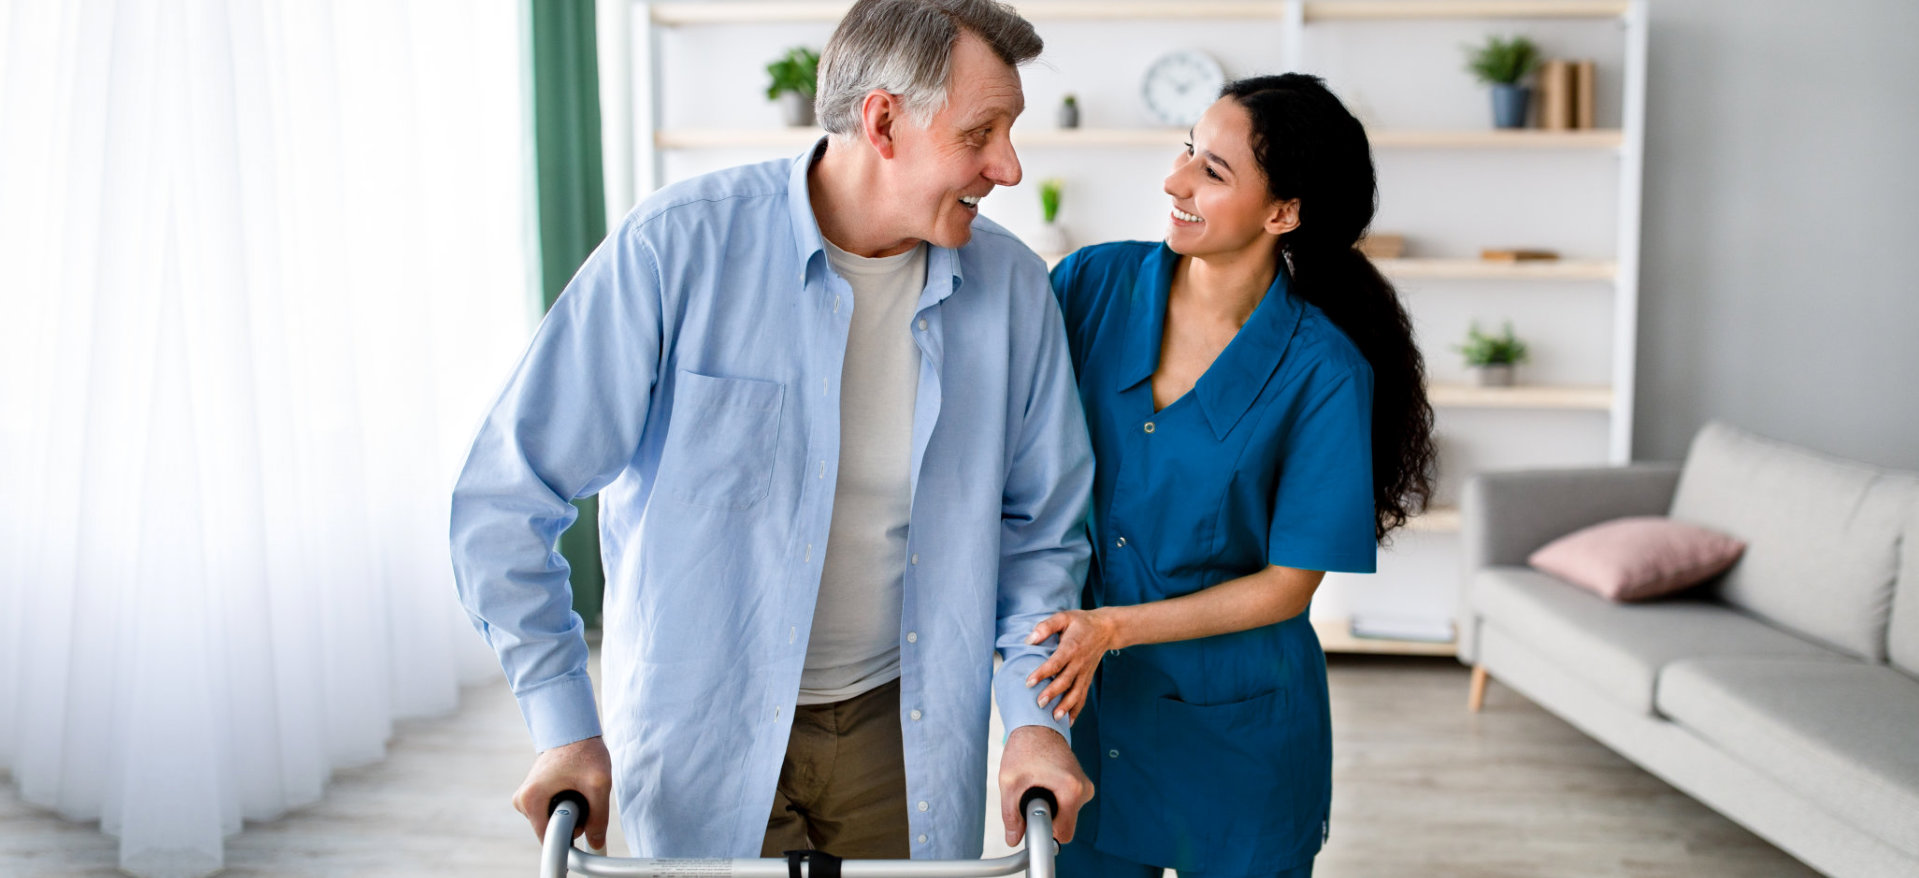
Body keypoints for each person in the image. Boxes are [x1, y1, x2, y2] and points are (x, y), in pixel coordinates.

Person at [449, 0, 1094, 862]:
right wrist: (563, 720)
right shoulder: (675, 250)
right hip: (699, 726)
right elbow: (505, 498)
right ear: (882, 120)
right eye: (981, 133)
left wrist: (1031, 719)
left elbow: (1040, 533)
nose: (1007, 168)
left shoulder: (1012, 289)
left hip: (899, 725)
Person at [1029, 73, 1438, 878]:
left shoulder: (1322, 369)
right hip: (1092, 719)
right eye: (1187, 150)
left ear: (1282, 213)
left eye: (1211, 172)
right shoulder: (1089, 287)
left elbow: (1289, 585)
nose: (1173, 180)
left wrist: (1111, 627)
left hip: (1240, 737)